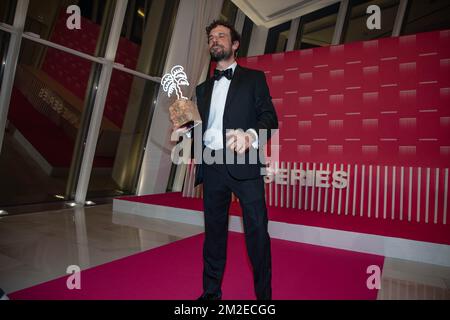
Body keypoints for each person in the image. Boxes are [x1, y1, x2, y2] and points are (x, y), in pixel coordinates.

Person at [171, 20, 278, 300]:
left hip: (245, 163)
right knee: (214, 234)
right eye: (210, 37)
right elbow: (203, 125)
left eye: (221, 35)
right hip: (212, 165)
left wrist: (251, 136)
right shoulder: (203, 88)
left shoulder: (254, 79)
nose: (214, 40)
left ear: (235, 44)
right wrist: (184, 129)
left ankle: (264, 298)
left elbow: (270, 117)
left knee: (256, 233)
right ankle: (211, 294)